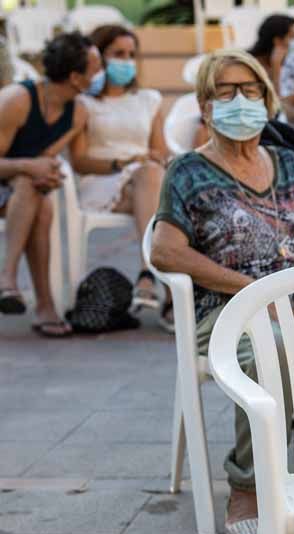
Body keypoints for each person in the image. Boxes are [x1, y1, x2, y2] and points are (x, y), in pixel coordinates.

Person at [149, 50, 294, 534]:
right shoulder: (188, 170)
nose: (239, 101)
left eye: (250, 91)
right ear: (206, 107)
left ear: (267, 100)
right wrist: (246, 286)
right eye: (225, 92)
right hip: (231, 309)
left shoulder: (290, 164)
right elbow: (166, 250)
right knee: (270, 355)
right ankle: (248, 486)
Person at [69, 25, 170, 328]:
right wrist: (122, 162)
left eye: (130, 54)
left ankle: (150, 277)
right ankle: (162, 286)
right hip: (103, 180)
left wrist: (150, 159)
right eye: (117, 54)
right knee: (169, 206)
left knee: (154, 175)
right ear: (98, 56)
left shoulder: (149, 99)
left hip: (145, 180)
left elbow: (160, 150)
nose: (126, 61)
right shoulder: (84, 104)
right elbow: (79, 160)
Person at [0, 32, 100, 337]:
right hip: (8, 179)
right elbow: (31, 164)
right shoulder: (17, 101)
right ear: (75, 77)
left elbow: (47, 160)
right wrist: (28, 166)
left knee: (39, 199)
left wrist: (46, 171)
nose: (100, 73)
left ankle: (12, 284)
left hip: (20, 189)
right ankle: (35, 299)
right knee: (32, 188)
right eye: (95, 68)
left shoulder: (77, 113)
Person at [247, 14, 294, 94]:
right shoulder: (249, 64)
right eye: (291, 37)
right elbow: (274, 100)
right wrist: (276, 69)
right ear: (277, 41)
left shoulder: (286, 65)